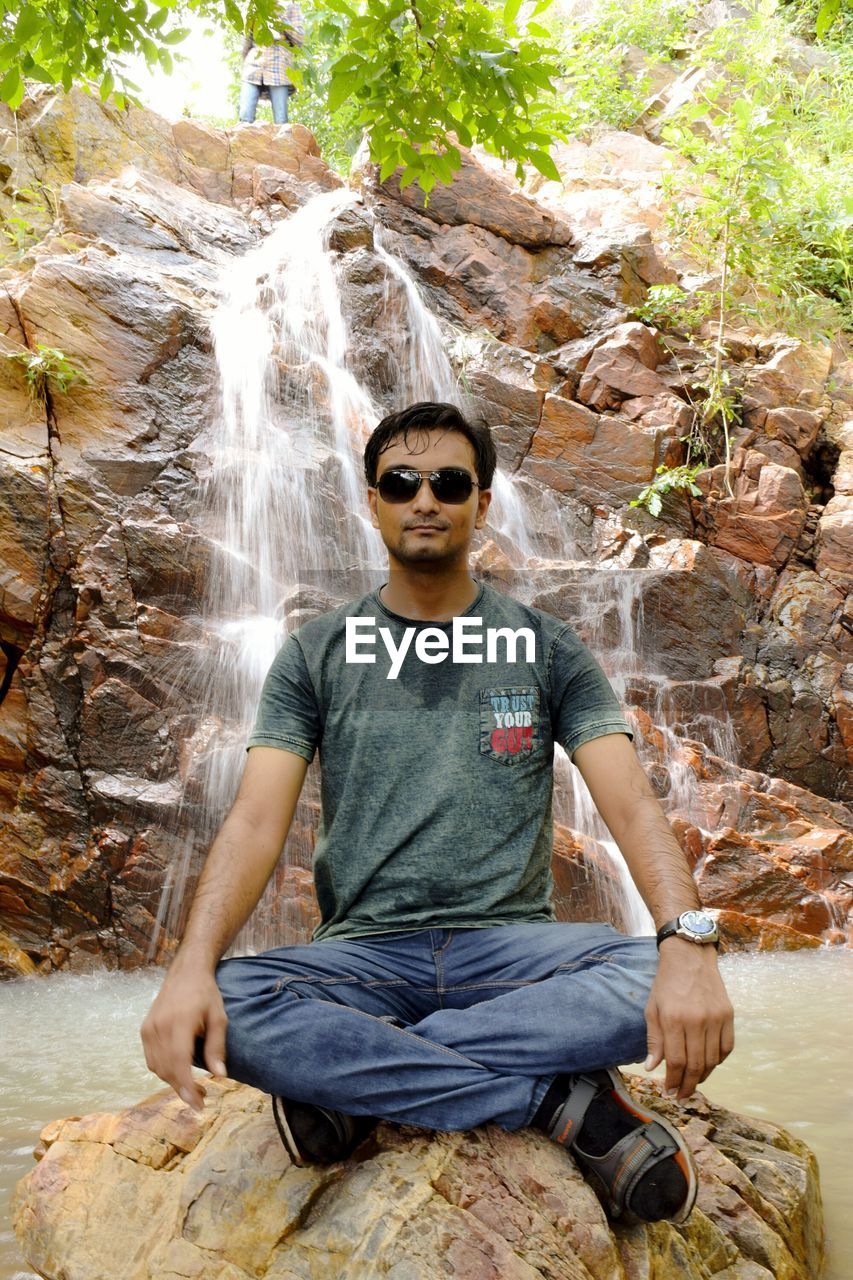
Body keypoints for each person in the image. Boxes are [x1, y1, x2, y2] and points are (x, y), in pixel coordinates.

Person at [142, 401, 734, 1224]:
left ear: (481, 503)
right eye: (402, 482)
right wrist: (188, 965)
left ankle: (355, 1085)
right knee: (231, 1001)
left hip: (519, 957)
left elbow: (629, 803)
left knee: (646, 974)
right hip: (362, 964)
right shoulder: (315, 653)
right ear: (373, 500)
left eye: (449, 483)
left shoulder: (546, 648)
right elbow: (252, 821)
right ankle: (552, 1098)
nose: (426, 498)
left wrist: (687, 941)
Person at [238, 1, 304, 126]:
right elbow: (247, 38)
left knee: (281, 122)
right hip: (253, 65)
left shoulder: (291, 5)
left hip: (279, 66)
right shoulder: (257, 3)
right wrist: (246, 60)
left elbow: (299, 39)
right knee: (244, 118)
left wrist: (280, 17)